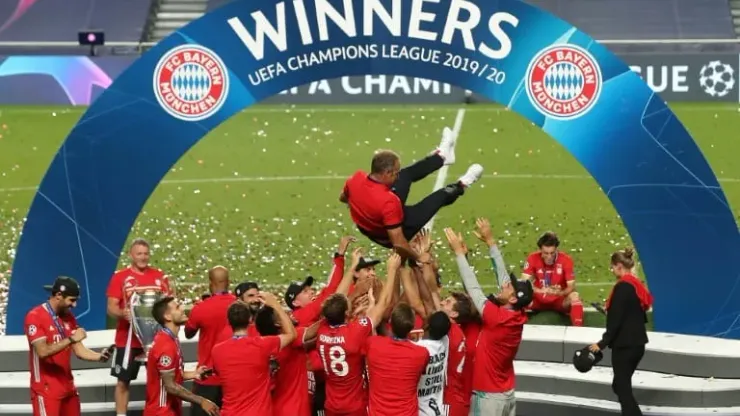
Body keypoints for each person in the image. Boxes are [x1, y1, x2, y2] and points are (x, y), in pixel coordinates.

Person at [340, 127, 483, 261]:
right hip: (387, 236)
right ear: (387, 173)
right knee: (437, 199)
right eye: (395, 173)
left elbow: (343, 198)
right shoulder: (389, 201)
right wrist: (418, 258)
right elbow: (398, 243)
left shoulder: (356, 178)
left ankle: (442, 157)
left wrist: (362, 207)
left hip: (376, 219)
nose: (397, 176)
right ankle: (462, 184)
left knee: (406, 174)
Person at [444, 227, 533, 416]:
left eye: (509, 286)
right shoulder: (517, 314)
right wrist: (491, 242)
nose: (505, 284)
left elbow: (473, 289)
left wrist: (459, 254)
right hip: (506, 394)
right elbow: (502, 278)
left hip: (488, 398)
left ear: (513, 299)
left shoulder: (497, 318)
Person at [317, 251, 402, 416]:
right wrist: (392, 270)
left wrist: (351, 270)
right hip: (355, 406)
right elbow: (383, 305)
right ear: (346, 313)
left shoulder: (322, 330)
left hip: (332, 405)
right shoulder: (355, 332)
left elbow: (335, 301)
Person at [24, 276, 113, 416]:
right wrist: (70, 339)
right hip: (46, 389)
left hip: (68, 387)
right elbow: (42, 351)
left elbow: (79, 349)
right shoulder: (35, 316)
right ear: (59, 295)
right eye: (72, 300)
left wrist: (99, 356)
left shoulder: (68, 317)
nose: (74, 305)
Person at [106, 238, 173, 416]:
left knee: (159, 381)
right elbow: (111, 307)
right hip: (128, 340)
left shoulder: (160, 276)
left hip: (156, 341)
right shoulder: (120, 277)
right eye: (139, 254)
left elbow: (170, 304)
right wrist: (123, 314)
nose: (143, 257)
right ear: (131, 255)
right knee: (123, 381)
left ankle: (157, 412)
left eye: (146, 254)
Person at [589, 248, 653, 416]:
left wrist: (601, 344)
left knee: (622, 388)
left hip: (624, 346)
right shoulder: (636, 286)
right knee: (620, 386)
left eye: (612, 267)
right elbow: (636, 315)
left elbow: (615, 321)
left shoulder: (622, 288)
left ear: (619, 266)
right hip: (637, 344)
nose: (612, 271)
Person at [211, 293, 297, 415]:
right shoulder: (262, 345)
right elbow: (291, 334)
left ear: (229, 322)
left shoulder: (217, 351)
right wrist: (276, 305)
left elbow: (220, 373)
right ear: (250, 320)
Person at [144, 297, 219, 416]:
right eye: (178, 307)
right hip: (161, 412)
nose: (183, 308)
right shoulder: (165, 346)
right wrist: (201, 401)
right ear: (167, 316)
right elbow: (170, 386)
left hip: (169, 411)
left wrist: (195, 374)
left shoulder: (171, 339)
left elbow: (174, 376)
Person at [183, 266, 235, 416]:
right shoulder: (239, 306)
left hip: (207, 377)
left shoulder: (201, 308)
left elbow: (188, 333)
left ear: (210, 283)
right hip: (233, 378)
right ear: (228, 282)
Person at [365, 302, 430, 416]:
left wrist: (371, 306)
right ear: (412, 326)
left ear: (390, 322)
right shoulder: (421, 353)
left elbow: (371, 325)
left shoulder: (373, 344)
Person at [286, 236, 355, 327]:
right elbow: (330, 291)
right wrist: (340, 255)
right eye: (305, 291)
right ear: (295, 303)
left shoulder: (310, 308)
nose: (312, 292)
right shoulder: (300, 315)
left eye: (310, 289)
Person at [520, 231, 583, 326]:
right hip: (538, 301)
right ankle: (516, 328)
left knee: (575, 296)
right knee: (518, 294)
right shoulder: (532, 258)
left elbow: (571, 286)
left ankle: (578, 331)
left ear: (556, 249)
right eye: (546, 253)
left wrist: (560, 293)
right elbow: (524, 283)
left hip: (558, 301)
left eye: (552, 253)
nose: (549, 257)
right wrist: (541, 291)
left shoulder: (566, 260)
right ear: (540, 250)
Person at [415, 311, 451, 416]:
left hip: (421, 411)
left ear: (427, 326)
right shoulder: (445, 341)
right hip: (438, 411)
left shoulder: (418, 348)